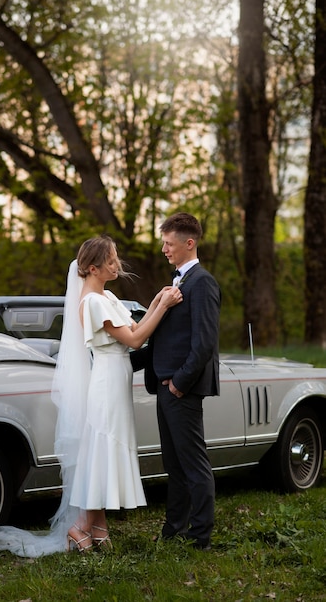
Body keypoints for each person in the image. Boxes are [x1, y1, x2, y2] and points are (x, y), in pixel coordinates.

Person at [0, 235, 182, 556]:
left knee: (105, 454)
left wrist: (153, 304)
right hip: (106, 382)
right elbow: (135, 340)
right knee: (103, 451)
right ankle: (79, 527)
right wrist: (162, 305)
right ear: (92, 268)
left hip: (117, 379)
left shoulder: (106, 296)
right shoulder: (91, 302)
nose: (116, 265)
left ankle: (97, 526)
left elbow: (133, 328)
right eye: (110, 260)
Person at [131, 212, 221, 550]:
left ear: (189, 243)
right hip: (165, 386)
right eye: (163, 243)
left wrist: (180, 383)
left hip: (181, 388)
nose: (164, 249)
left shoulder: (202, 283)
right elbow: (162, 340)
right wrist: (122, 363)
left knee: (193, 463)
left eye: (169, 243)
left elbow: (204, 343)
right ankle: (174, 528)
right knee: (174, 463)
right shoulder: (178, 281)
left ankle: (201, 536)